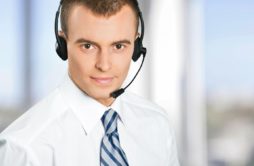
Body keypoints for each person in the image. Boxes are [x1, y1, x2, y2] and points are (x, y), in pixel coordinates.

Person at [0, 0, 180, 165]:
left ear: (136, 45)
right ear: (62, 45)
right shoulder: (24, 148)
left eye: (118, 46)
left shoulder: (158, 124)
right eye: (88, 46)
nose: (104, 65)